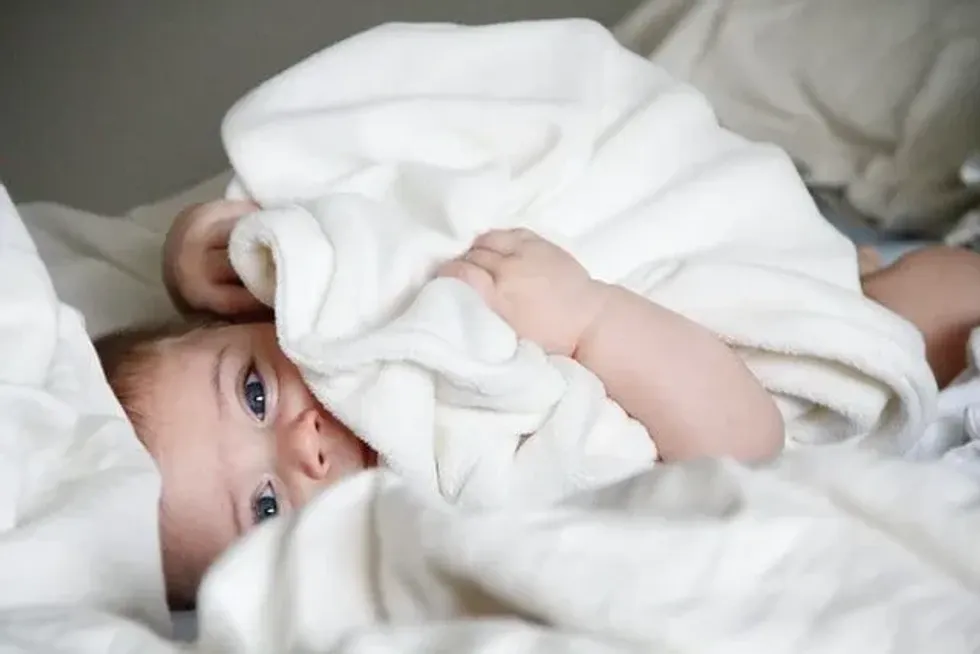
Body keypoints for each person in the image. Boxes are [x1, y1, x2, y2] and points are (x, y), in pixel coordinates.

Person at [98, 199, 980, 607]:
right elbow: (746, 450)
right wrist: (590, 320)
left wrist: (206, 247)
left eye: (253, 392)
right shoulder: (465, 494)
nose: (302, 448)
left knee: (887, 276)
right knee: (925, 314)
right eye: (264, 505)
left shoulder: (357, 313)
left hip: (709, 264)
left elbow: (314, 215)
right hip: (724, 370)